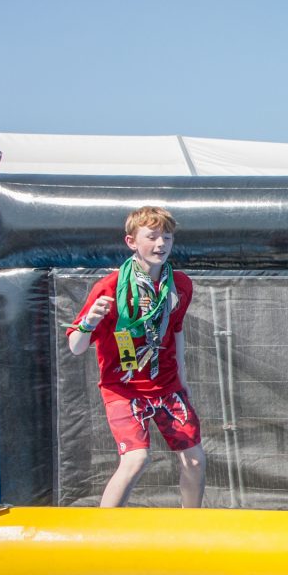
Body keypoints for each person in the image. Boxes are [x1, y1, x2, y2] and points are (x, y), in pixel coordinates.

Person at [67, 206, 205, 508]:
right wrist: (90, 320)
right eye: (152, 237)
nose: (161, 245)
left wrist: (183, 380)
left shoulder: (179, 285)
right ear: (131, 241)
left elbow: (176, 333)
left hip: (166, 386)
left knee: (194, 459)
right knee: (136, 459)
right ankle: (103, 533)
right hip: (124, 389)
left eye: (166, 237)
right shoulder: (110, 287)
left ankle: (191, 526)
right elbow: (76, 347)